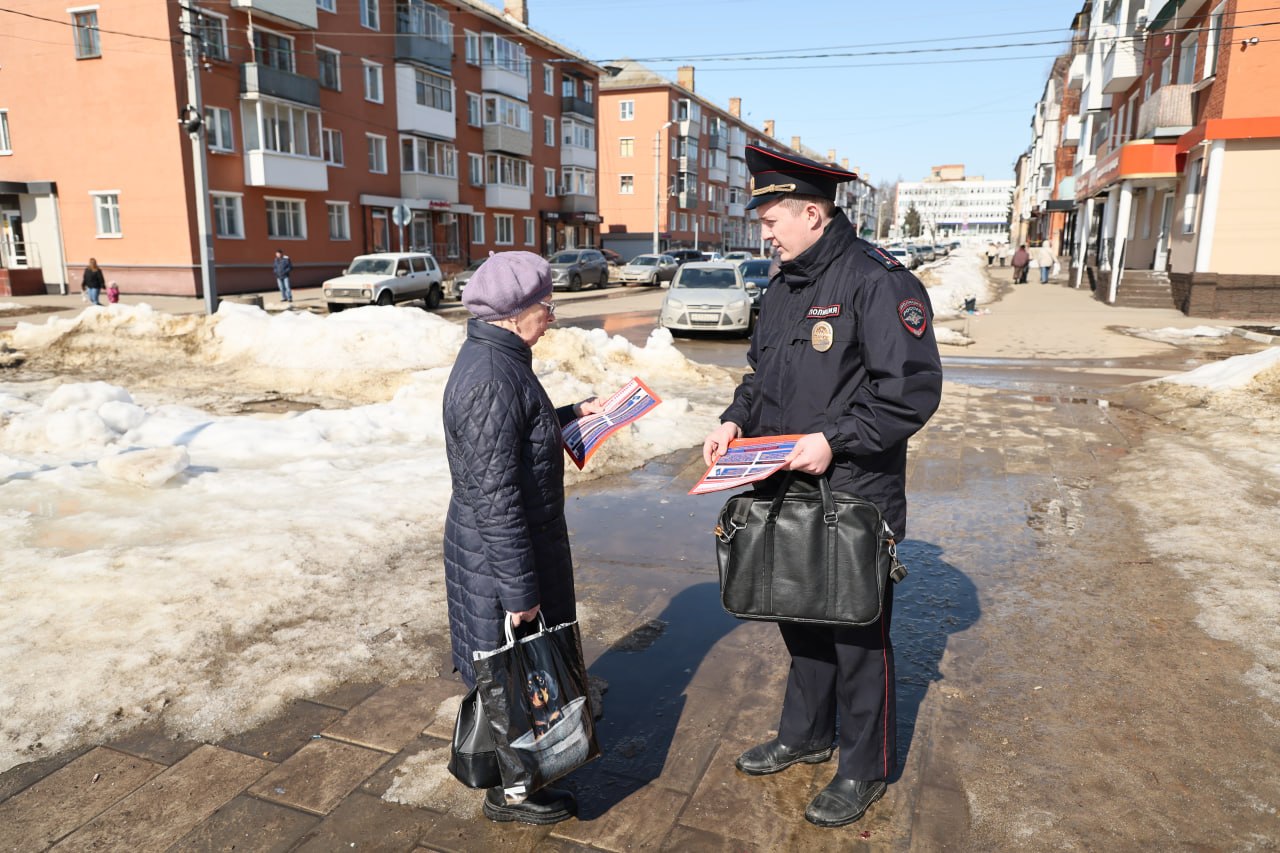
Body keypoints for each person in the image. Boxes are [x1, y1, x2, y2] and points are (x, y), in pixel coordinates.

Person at [703, 146, 942, 829]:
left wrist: (833, 438)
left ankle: (864, 766)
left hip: (853, 494)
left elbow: (909, 393)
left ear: (814, 212)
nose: (765, 233)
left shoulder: (877, 281)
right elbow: (761, 381)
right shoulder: (781, 288)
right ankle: (805, 731)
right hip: (781, 484)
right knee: (798, 616)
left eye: (772, 218)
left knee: (856, 638)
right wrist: (732, 421)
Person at [441, 251, 603, 826]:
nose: (552, 316)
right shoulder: (490, 375)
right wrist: (519, 593)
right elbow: (496, 498)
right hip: (498, 559)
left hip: (502, 551)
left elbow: (509, 435)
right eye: (546, 305)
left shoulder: (500, 358)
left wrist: (566, 415)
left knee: (510, 675)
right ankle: (513, 794)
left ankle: (516, 774)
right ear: (513, 312)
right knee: (510, 678)